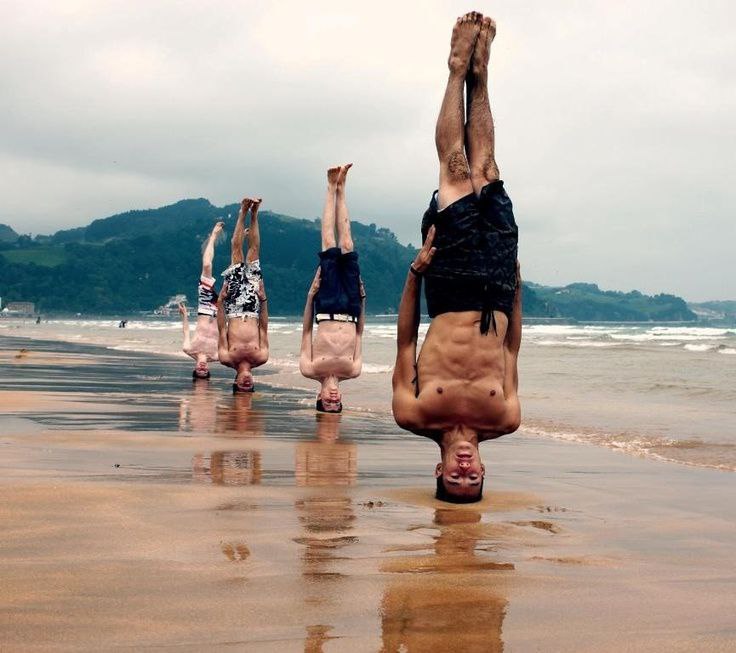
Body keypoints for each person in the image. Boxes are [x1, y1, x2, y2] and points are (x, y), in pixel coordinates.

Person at [391, 12, 522, 503]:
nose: (463, 471)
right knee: (487, 167)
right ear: (485, 471)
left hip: (447, 290)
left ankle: (454, 70)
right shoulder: (505, 418)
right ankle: (481, 78)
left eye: (454, 479)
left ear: (438, 471)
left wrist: (414, 275)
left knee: (456, 169)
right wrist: (515, 289)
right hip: (495, 286)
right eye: (472, 479)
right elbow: (511, 351)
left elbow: (405, 345)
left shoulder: (415, 413)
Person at [299, 164, 366, 412]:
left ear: (319, 398)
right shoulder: (353, 371)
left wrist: (310, 295)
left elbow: (306, 331)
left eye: (328, 402)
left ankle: (330, 187)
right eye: (336, 403)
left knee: (329, 243)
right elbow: (359, 333)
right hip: (351, 307)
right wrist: (363, 300)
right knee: (347, 244)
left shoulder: (310, 369)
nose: (333, 398)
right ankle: (343, 187)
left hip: (325, 306)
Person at [217, 197, 269, 392]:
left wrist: (221, 299)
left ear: (235, 383)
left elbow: (222, 328)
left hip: (234, 308)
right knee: (254, 253)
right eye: (250, 386)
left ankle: (243, 211)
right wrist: (263, 298)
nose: (247, 383)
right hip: (254, 307)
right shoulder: (261, 357)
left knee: (236, 252)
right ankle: (255, 213)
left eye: (242, 386)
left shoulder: (226, 358)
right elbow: (263, 327)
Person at [179, 221, 224, 379]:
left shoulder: (188, 348)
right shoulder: (218, 356)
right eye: (205, 372)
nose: (202, 368)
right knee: (235, 278)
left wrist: (184, 315)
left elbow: (186, 331)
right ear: (208, 371)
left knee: (206, 265)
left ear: (195, 368)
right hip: (221, 312)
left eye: (199, 371)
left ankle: (213, 237)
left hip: (205, 307)